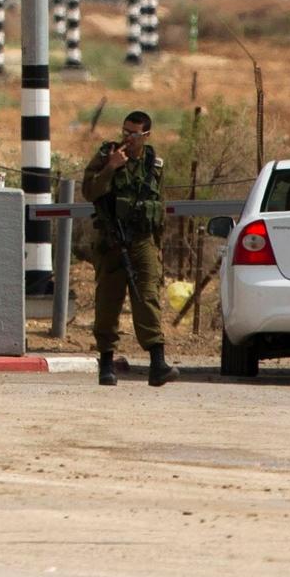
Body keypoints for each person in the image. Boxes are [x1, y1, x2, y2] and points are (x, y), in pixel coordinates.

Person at [85, 107, 172, 385]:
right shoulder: (106, 156)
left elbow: (159, 206)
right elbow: (90, 192)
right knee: (109, 302)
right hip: (112, 241)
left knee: (147, 297)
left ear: (146, 135)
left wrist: (158, 245)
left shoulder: (153, 164)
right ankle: (106, 364)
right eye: (125, 132)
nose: (128, 138)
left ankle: (157, 363)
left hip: (143, 241)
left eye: (134, 134)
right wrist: (111, 167)